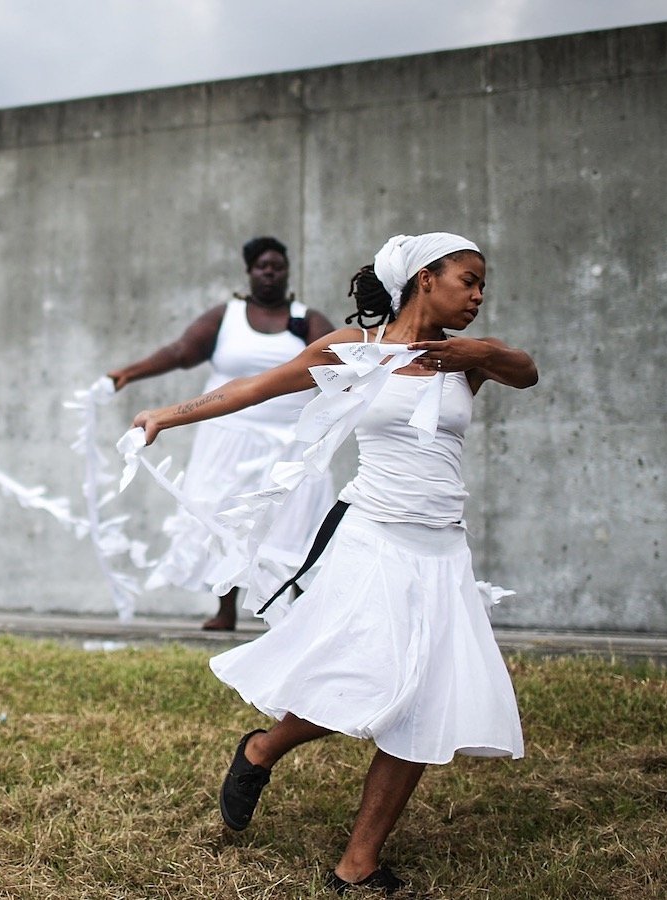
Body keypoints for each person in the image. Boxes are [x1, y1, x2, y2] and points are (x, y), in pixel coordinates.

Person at [132, 233, 537, 895]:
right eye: (467, 279)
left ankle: (358, 865)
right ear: (423, 279)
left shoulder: (468, 360)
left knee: (422, 701)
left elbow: (527, 371)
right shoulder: (357, 349)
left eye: (483, 285)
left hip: (442, 550)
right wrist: (168, 415)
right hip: (374, 538)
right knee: (364, 677)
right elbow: (256, 387)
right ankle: (263, 748)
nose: (478, 295)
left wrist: (481, 352)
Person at [107, 236, 336, 630]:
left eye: (277, 266)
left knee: (298, 522)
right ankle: (225, 609)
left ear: (287, 272)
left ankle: (301, 613)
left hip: (292, 440)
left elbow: (339, 362)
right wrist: (131, 371)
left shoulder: (307, 319)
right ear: (249, 272)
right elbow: (181, 353)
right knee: (223, 518)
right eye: (262, 265)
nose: (269, 272)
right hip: (229, 439)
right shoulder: (225, 316)